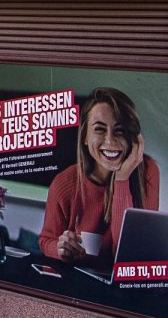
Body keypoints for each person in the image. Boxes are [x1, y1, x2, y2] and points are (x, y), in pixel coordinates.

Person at [39, 87, 160, 264]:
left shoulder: (148, 172)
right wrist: (59, 248)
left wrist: (121, 179)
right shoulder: (64, 183)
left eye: (119, 130)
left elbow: (128, 256)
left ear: (133, 137)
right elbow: (45, 240)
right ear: (85, 137)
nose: (110, 140)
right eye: (100, 129)